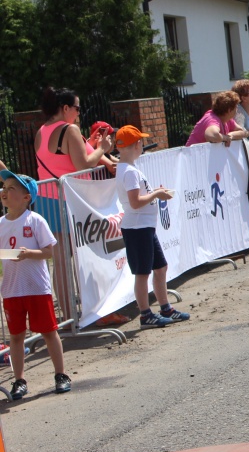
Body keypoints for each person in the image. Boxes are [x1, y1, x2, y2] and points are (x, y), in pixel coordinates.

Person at [35, 87, 114, 317]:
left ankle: (69, 316)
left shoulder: (41, 131)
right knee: (85, 255)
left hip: (47, 199)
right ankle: (91, 310)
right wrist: (102, 149)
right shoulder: (69, 129)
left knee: (60, 263)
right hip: (70, 200)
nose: (79, 114)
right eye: (77, 108)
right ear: (65, 108)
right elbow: (84, 164)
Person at [0, 171, 70, 399]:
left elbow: (49, 251)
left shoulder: (35, 220)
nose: (4, 191)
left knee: (49, 331)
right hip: (12, 289)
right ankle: (19, 380)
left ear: (26, 197)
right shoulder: (1, 223)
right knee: (16, 336)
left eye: (12, 188)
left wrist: (29, 253)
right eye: (4, 187)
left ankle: (61, 374)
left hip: (37, 288)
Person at [114, 126, 188, 328]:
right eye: (140, 142)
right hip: (138, 228)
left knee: (160, 267)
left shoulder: (127, 168)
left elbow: (136, 199)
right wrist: (156, 194)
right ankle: (146, 314)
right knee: (142, 273)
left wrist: (155, 191)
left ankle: (165, 308)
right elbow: (136, 202)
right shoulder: (128, 171)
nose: (142, 146)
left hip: (143, 226)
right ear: (136, 145)